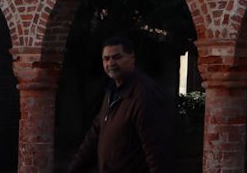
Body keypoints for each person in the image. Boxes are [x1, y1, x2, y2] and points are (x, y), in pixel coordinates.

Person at [68, 34, 174, 173]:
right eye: (106, 59)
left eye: (117, 57)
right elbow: (94, 135)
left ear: (132, 57)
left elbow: (157, 152)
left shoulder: (145, 94)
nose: (111, 63)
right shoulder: (112, 91)